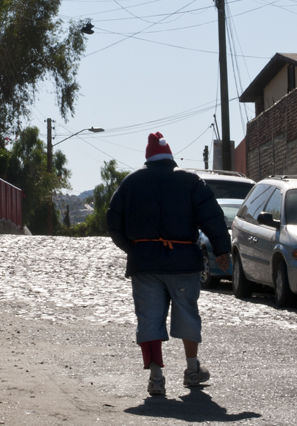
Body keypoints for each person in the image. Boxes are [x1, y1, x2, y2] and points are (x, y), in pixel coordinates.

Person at [107, 131, 230, 397]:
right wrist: (222, 249)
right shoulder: (191, 182)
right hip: (184, 263)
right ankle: (192, 370)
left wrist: (134, 248)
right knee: (187, 313)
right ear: (170, 157)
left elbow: (113, 221)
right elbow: (212, 217)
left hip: (145, 265)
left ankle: (156, 378)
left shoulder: (131, 183)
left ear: (148, 159)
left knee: (149, 318)